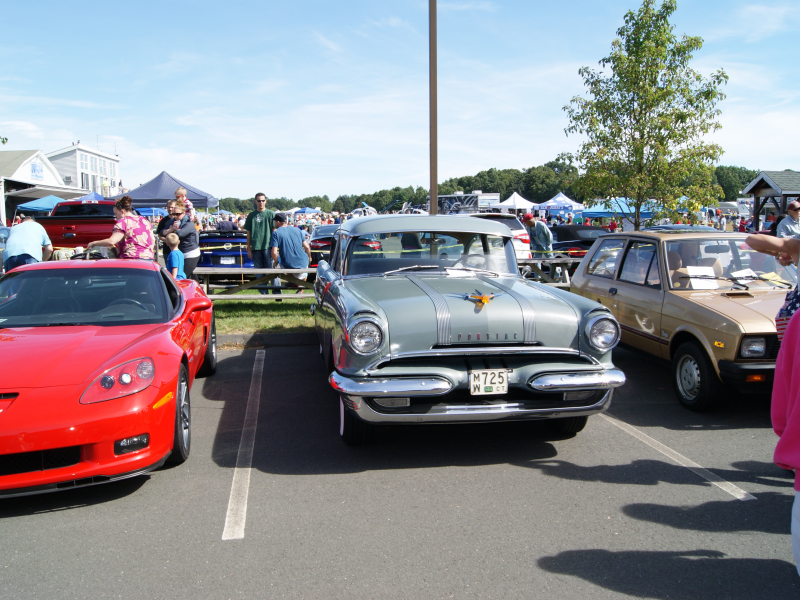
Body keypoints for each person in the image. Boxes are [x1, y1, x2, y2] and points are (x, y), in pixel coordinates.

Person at [88, 196, 154, 260]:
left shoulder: (123, 222)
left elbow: (112, 241)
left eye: (116, 213)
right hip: (148, 258)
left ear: (122, 211)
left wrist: (94, 243)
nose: (116, 216)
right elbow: (153, 240)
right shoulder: (144, 220)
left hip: (130, 258)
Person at [244, 192, 280, 296]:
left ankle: (277, 292)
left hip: (268, 246)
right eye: (259, 201)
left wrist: (275, 247)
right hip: (256, 247)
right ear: (255, 202)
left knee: (273, 270)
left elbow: (274, 231)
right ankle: (264, 292)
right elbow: (249, 232)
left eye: (263, 200)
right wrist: (249, 248)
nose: (261, 203)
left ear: (266, 201)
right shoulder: (251, 215)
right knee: (259, 272)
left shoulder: (271, 214)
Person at [270, 213, 311, 294]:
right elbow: (307, 247)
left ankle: (293, 281)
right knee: (304, 266)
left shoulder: (276, 233)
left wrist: (276, 262)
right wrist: (309, 257)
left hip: (288, 263)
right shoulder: (297, 230)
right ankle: (300, 289)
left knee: (282, 259)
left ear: (278, 222)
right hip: (303, 260)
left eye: (274, 221)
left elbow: (274, 253)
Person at [162, 198, 200, 279]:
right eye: (174, 214)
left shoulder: (189, 223)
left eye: (177, 214)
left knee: (184, 275)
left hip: (191, 253)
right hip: (181, 252)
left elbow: (181, 234)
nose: (175, 216)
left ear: (183, 213)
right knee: (190, 276)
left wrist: (172, 229)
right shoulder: (174, 221)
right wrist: (169, 230)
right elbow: (162, 232)